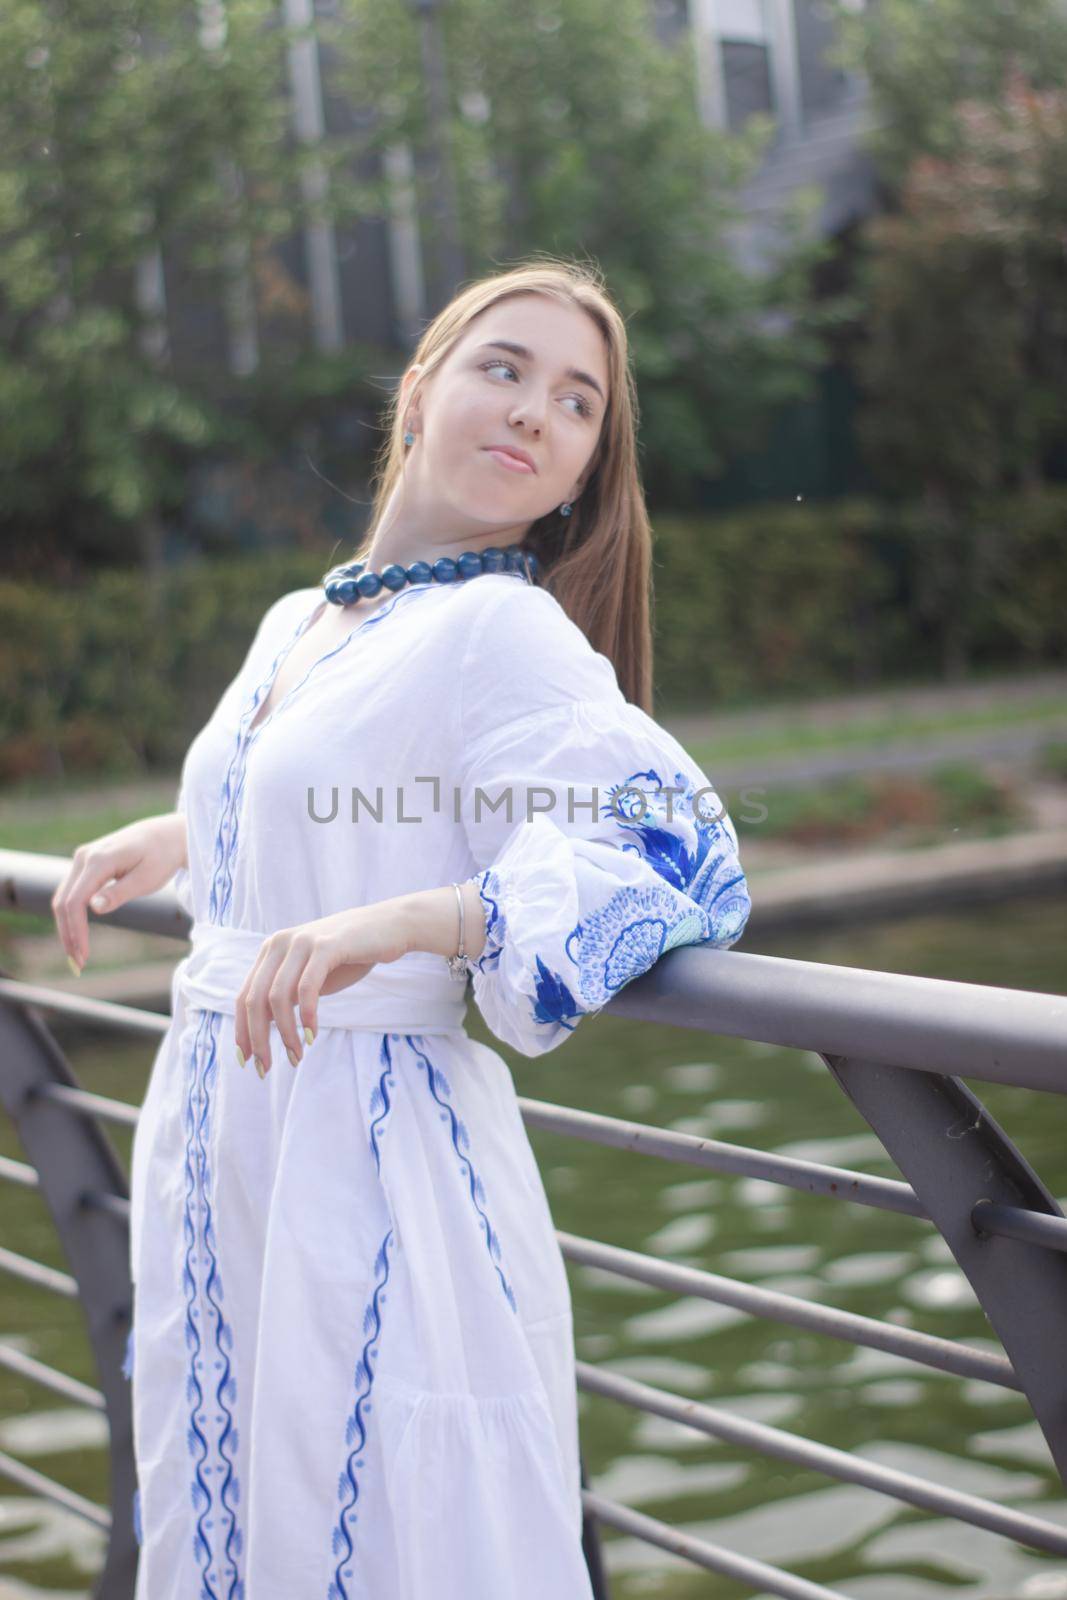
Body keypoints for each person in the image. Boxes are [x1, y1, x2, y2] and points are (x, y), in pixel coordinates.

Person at [51, 259, 751, 1599]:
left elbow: (673, 846)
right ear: (419, 394)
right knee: (241, 1499)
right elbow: (344, 789)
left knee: (375, 1526)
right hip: (222, 1135)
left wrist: (434, 917)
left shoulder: (505, 628)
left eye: (579, 402)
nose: (538, 410)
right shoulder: (303, 621)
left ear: (582, 472)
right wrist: (189, 834)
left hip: (369, 1143)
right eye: (505, 368)